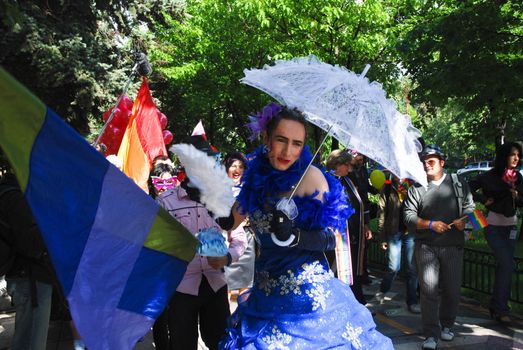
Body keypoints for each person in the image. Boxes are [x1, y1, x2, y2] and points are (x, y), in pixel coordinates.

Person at [220, 103, 393, 349]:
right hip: (264, 296)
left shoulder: (311, 178)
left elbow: (331, 239)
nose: (288, 151)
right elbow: (230, 220)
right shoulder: (257, 179)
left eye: (297, 143)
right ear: (266, 137)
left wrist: (295, 235)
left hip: (309, 301)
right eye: (281, 140)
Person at [157, 135, 247, 350]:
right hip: (181, 287)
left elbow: (239, 238)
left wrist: (227, 257)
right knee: (182, 344)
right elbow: (156, 245)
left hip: (215, 285)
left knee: (221, 343)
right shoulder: (165, 201)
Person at [403, 144, 475, 350]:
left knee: (452, 290)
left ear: (442, 163)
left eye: (431, 161)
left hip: (453, 246)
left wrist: (464, 222)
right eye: (424, 162)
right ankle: (431, 334)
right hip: (426, 247)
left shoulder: (458, 184)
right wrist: (430, 224)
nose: (427, 165)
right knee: (429, 291)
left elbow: (470, 208)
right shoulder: (417, 187)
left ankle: (448, 326)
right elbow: (408, 215)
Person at [469, 142, 523, 323]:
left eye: (518, 155)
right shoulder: (489, 176)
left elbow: (522, 202)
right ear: (503, 156)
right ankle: (501, 309)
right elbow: (467, 186)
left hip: (511, 228)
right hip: (492, 226)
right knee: (507, 265)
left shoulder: (518, 178)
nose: (516, 158)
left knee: (504, 267)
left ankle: (496, 306)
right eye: (512, 154)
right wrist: (483, 199)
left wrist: (518, 196)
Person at [0, 172, 56, 350]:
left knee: (28, 339)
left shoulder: (12, 192)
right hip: (30, 280)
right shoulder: (15, 195)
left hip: (28, 278)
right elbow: (32, 243)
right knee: (31, 342)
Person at [325, 149, 370, 305]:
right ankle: (343, 304)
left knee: (355, 270)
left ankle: (357, 302)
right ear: (338, 164)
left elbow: (358, 203)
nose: (350, 168)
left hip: (354, 233)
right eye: (347, 164)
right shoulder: (327, 180)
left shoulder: (348, 180)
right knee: (339, 270)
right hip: (337, 236)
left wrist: (364, 225)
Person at [375, 172, 419, 313]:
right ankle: (383, 290)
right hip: (394, 232)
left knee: (412, 269)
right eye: (395, 172)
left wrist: (408, 195)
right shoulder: (387, 188)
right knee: (394, 267)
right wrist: (382, 237)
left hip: (410, 232)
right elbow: (381, 213)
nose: (398, 175)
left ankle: (412, 301)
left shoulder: (412, 187)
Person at [148, 161, 178, 350]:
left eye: (170, 183)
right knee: (160, 315)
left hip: (177, 268)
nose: (165, 188)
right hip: (155, 270)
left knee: (177, 315)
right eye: (161, 183)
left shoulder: (182, 206)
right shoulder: (147, 206)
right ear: (153, 184)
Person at [223, 152, 255, 300]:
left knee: (246, 284)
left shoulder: (250, 190)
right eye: (233, 166)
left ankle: (243, 320)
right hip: (225, 240)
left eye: (241, 167)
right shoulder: (218, 190)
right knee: (224, 284)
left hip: (247, 240)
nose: (237, 170)